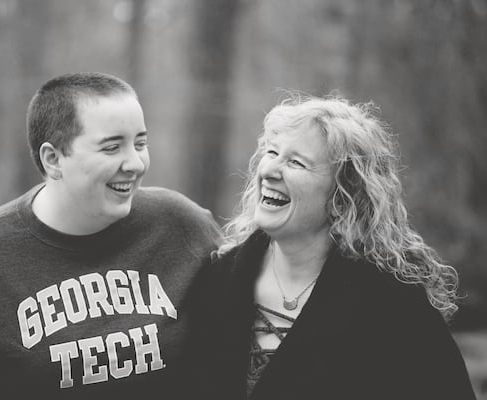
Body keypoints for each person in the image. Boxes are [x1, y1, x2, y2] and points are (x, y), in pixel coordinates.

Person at [0, 72, 221, 400]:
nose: (135, 163)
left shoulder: (182, 228)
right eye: (112, 148)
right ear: (53, 159)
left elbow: (244, 342)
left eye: (140, 143)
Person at [187, 94, 476, 400]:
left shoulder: (394, 304)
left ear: (342, 196)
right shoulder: (218, 280)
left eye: (296, 163)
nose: (270, 171)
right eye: (272, 152)